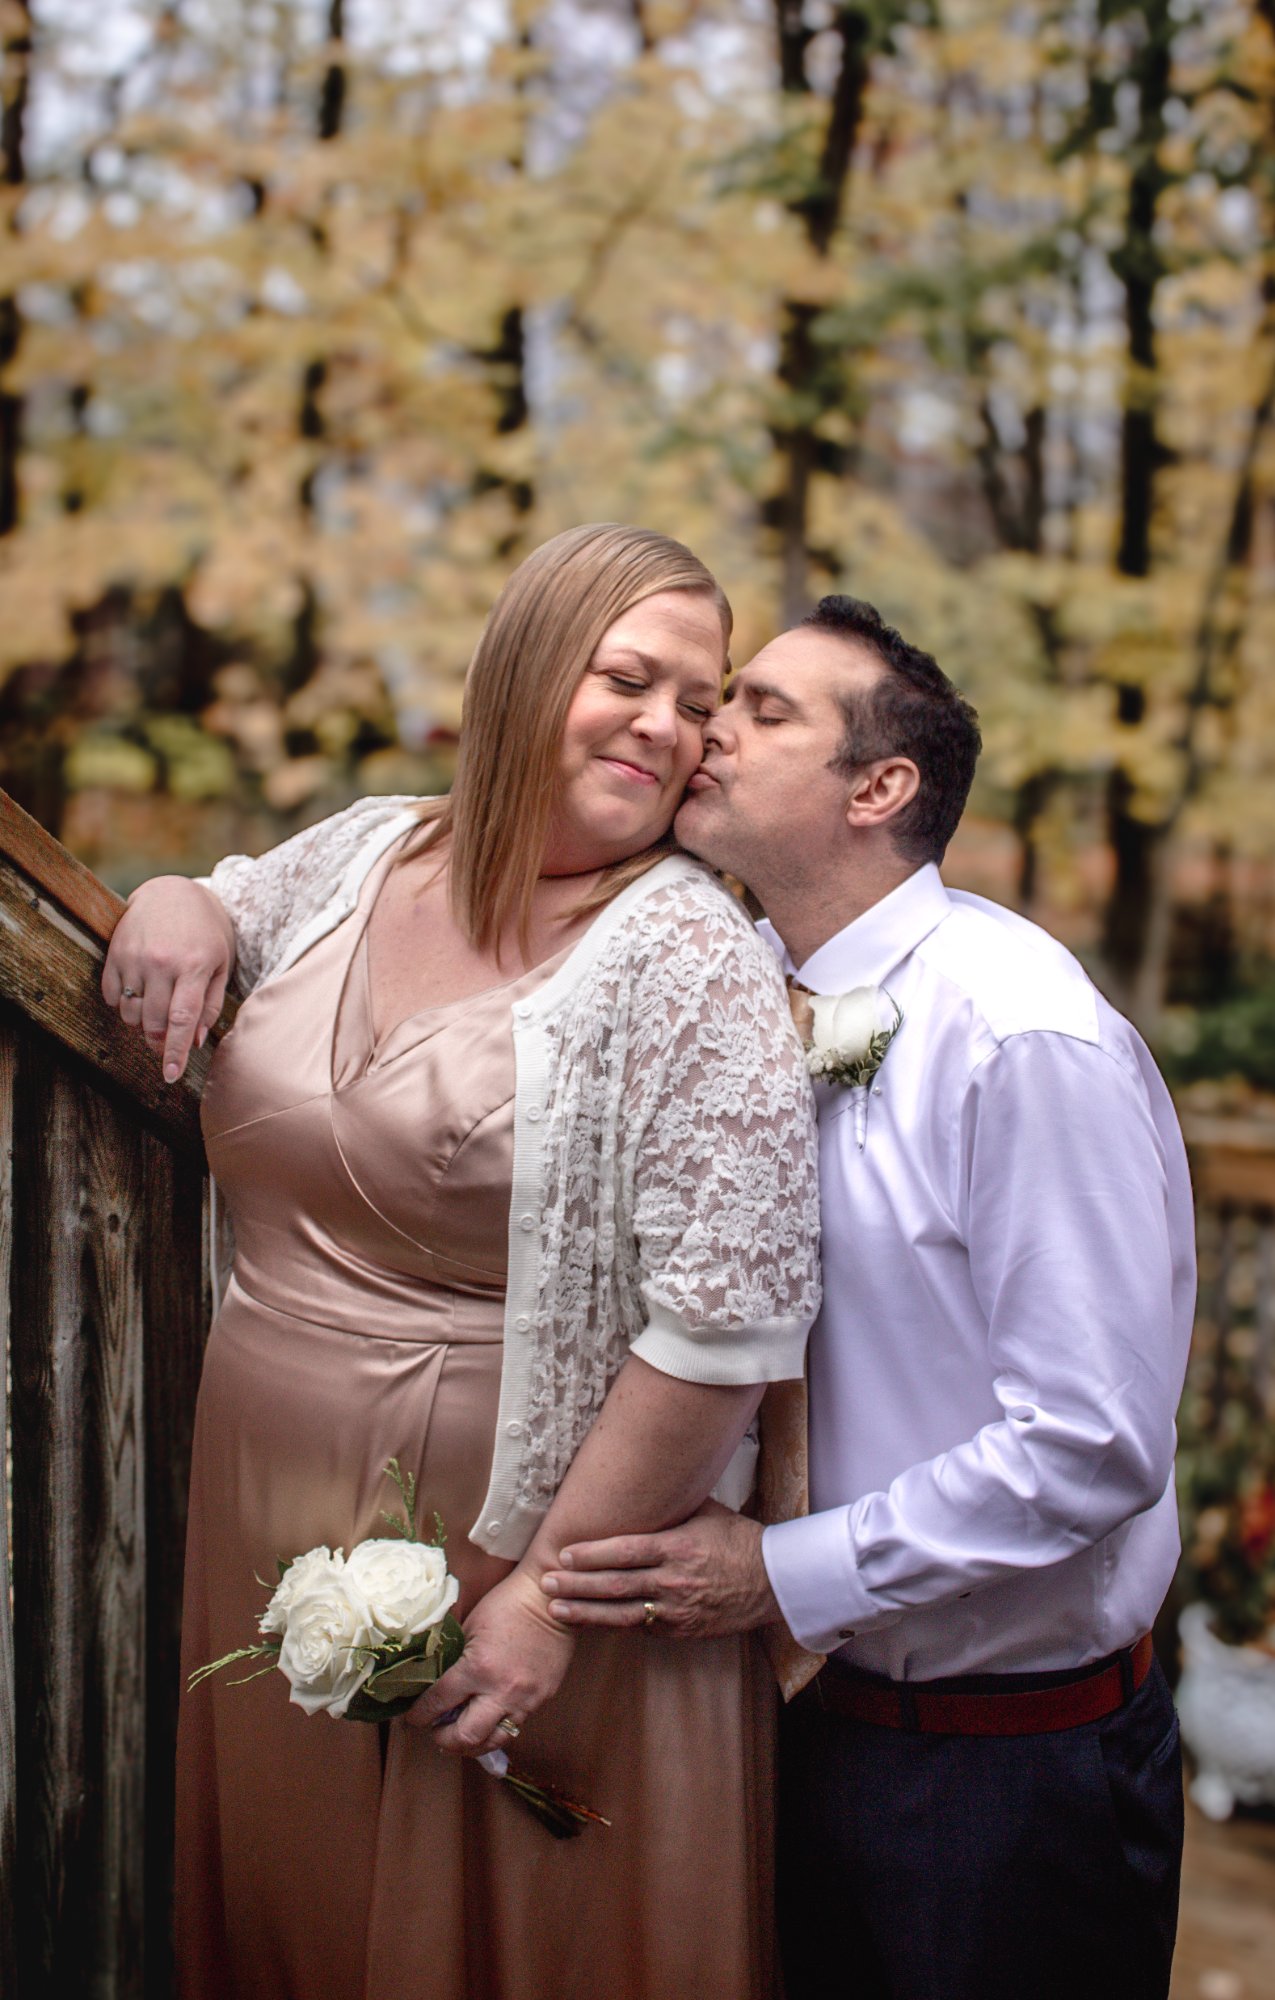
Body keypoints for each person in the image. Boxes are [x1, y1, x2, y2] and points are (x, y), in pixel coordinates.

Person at [102, 524, 822, 2000]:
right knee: (288, 1908)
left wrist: (548, 1602)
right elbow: (231, 907)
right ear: (525, 668)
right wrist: (178, 899)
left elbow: (726, 1327)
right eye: (630, 677)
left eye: (703, 702)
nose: (671, 729)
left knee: (488, 1934)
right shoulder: (373, 845)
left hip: (528, 1553)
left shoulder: (688, 954)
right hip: (255, 1494)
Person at [545, 594, 1194, 2000]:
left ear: (880, 787)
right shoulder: (733, 995)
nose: (709, 729)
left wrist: (780, 1574)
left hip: (999, 1775)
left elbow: (1091, 1442)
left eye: (765, 711)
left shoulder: (1020, 1035)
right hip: (777, 1724)